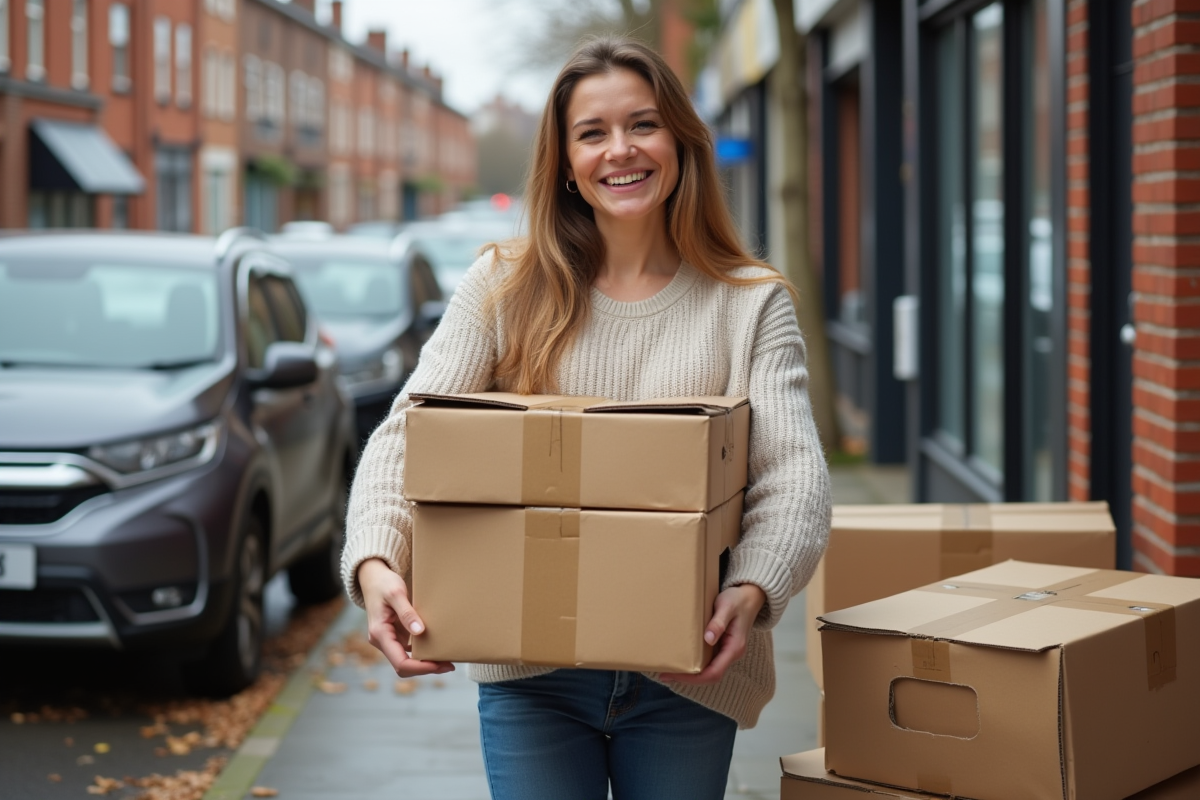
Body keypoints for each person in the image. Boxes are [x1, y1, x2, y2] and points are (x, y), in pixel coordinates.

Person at [341, 36, 831, 800]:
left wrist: (753, 590)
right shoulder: (502, 287)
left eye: (643, 124)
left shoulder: (749, 303)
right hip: (529, 676)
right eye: (592, 133)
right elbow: (409, 435)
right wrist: (375, 562)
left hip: (687, 676)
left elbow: (793, 475)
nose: (620, 150)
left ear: (680, 141)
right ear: (566, 162)